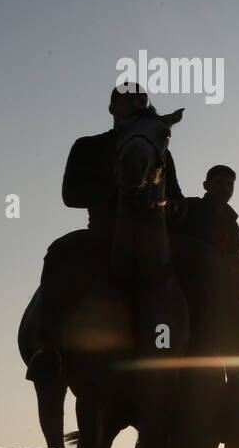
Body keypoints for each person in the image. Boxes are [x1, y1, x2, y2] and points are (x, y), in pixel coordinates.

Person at [26, 83, 187, 381]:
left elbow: (176, 195)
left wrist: (174, 208)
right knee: (59, 252)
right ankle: (49, 351)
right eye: (127, 101)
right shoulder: (88, 146)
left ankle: (209, 349)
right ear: (112, 108)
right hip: (103, 235)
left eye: (140, 101)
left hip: (154, 240)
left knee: (201, 265)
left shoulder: (157, 147)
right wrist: (117, 183)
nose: (134, 105)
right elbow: (70, 195)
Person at [176, 164, 239, 256]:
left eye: (230, 185)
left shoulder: (234, 227)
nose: (225, 188)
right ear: (206, 185)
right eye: (219, 182)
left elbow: (235, 260)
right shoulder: (188, 207)